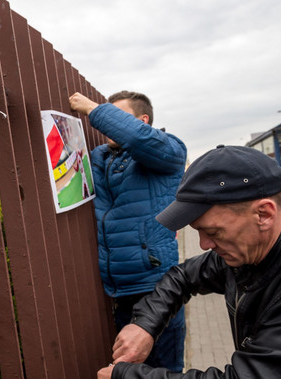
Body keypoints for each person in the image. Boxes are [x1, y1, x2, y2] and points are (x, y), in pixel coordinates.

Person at [98, 145, 281, 379]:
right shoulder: (252, 249)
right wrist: (145, 325)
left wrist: (127, 374)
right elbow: (182, 277)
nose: (204, 245)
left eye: (213, 232)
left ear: (264, 214)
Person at [69, 91, 187, 372]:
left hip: (156, 286)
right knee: (129, 371)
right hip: (120, 290)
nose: (108, 126)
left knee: (164, 372)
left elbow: (138, 139)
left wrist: (92, 109)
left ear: (143, 120)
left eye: (117, 116)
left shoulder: (168, 150)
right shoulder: (102, 156)